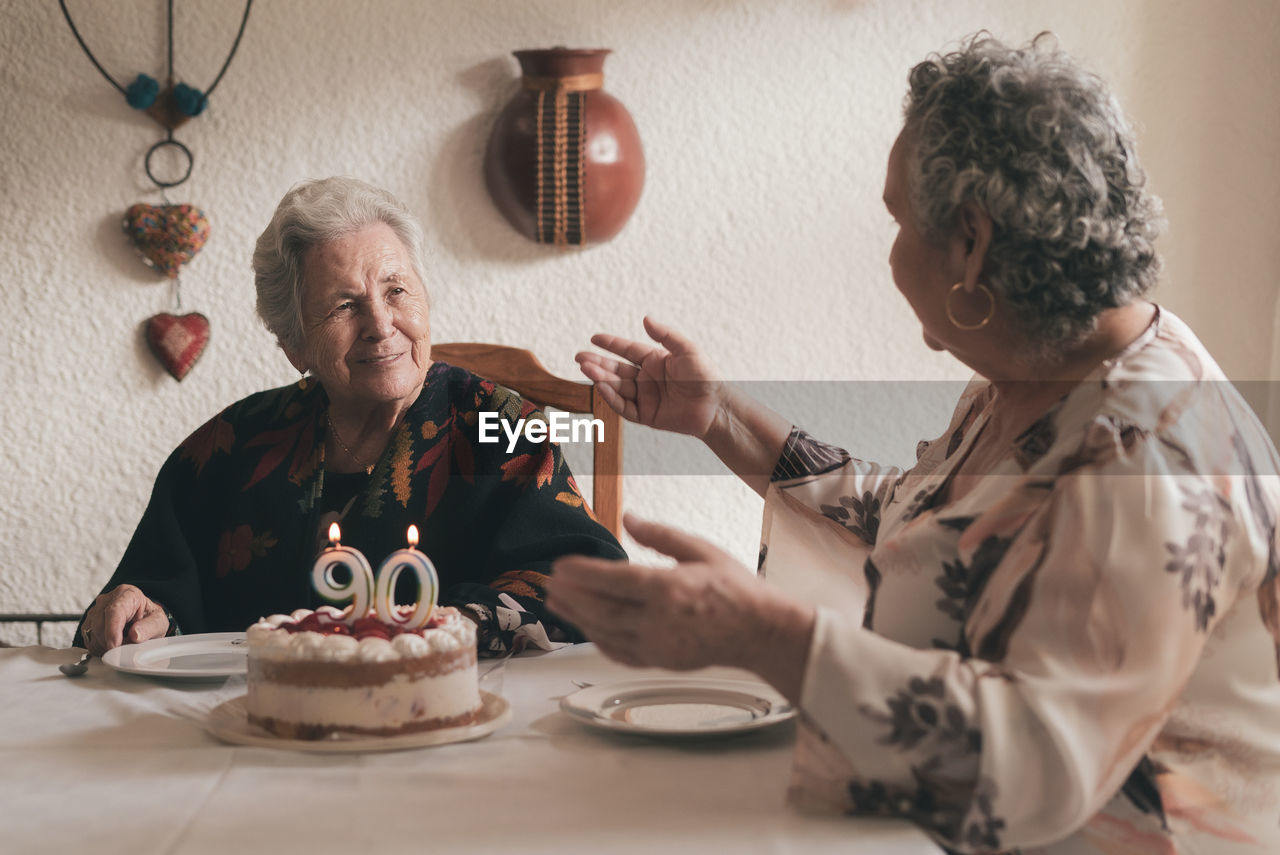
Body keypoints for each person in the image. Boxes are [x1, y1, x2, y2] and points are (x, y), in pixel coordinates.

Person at [547, 33, 1280, 855]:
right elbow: (925, 525)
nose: (890, 250)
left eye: (898, 218)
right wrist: (719, 418)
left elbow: (1038, 763)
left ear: (970, 243)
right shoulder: (1041, 371)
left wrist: (766, 634)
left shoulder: (1147, 459)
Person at [79, 177, 623, 657]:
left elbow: (584, 585)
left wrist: (446, 628)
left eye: (397, 291)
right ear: (294, 345)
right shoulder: (232, 445)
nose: (381, 324)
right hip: (257, 744)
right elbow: (154, 597)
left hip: (458, 735)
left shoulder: (499, 425)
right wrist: (141, 612)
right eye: (344, 306)